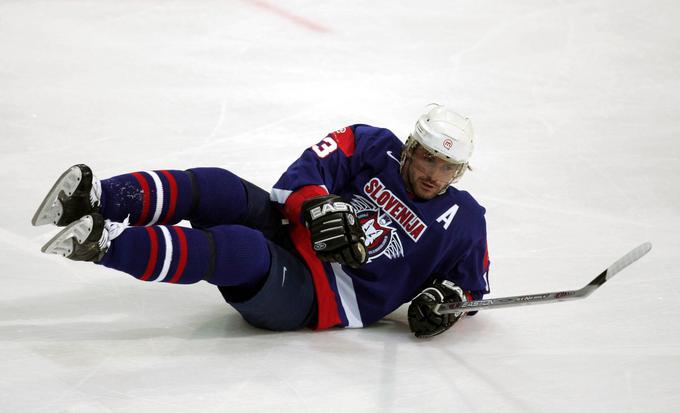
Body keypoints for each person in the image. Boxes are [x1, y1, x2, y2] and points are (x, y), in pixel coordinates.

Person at [32, 104, 490, 338]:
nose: (433, 174)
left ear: (460, 171)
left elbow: (469, 287)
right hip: (293, 230)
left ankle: (105, 246)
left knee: (239, 249)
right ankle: (96, 198)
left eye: (446, 167)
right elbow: (312, 166)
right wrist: (317, 206)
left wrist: (444, 303)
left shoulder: (465, 221)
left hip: (318, 297)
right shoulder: (375, 145)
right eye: (427, 159)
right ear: (410, 147)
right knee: (217, 186)